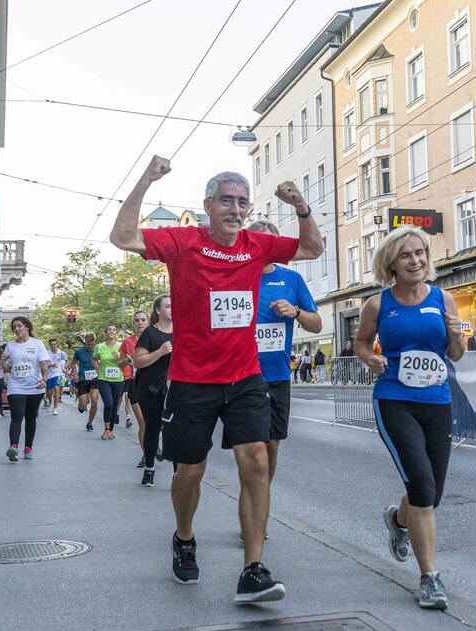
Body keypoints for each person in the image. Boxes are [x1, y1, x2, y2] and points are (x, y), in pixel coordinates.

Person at [110, 155, 323, 602]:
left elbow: (312, 249)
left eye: (242, 202)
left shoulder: (256, 245)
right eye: (227, 200)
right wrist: (145, 180)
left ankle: (254, 569)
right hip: (192, 379)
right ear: (208, 205)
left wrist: (301, 205)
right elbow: (122, 236)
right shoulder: (183, 241)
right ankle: (184, 538)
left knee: (258, 463)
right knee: (191, 470)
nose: (235, 208)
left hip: (246, 376)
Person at [354, 225, 464, 610]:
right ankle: (430, 578)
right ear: (392, 264)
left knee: (431, 494)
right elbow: (362, 342)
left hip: (437, 400)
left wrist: (458, 337)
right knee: (420, 484)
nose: (415, 260)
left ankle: (398, 520)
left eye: (420, 253)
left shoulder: (443, 298)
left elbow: (456, 354)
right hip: (395, 399)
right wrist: (371, 359)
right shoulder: (378, 304)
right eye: (406, 255)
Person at [225, 219, 320, 542]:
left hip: (277, 376)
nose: (265, 245)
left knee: (271, 447)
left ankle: (258, 499)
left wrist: (295, 312)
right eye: (259, 239)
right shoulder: (235, 276)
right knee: (252, 453)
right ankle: (251, 514)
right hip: (243, 376)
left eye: (271, 240)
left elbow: (317, 324)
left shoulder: (291, 279)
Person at [134, 295, 172, 487]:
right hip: (151, 387)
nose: (172, 309)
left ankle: (177, 473)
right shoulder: (150, 332)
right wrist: (160, 352)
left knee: (175, 429)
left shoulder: (182, 330)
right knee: (153, 427)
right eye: (167, 306)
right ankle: (149, 468)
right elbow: (138, 361)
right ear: (158, 310)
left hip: (176, 385)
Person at [1, 316, 50, 462]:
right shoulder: (10, 345)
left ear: (27, 327)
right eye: (14, 327)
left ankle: (28, 448)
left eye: (19, 326)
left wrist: (44, 379)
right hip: (16, 387)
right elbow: (7, 369)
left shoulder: (37, 344)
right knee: (16, 417)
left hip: (35, 387)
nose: (16, 329)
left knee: (30, 418)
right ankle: (13, 447)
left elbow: (43, 365)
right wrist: (2, 361)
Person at [122, 311, 150, 465]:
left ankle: (152, 445)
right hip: (135, 383)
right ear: (133, 323)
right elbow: (119, 363)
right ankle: (146, 455)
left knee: (156, 424)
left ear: (148, 321)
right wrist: (126, 361)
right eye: (137, 320)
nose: (140, 323)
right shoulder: (128, 342)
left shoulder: (157, 337)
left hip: (155, 383)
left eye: (143, 320)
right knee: (143, 423)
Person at [93, 324, 125, 439]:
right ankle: (106, 430)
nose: (111, 331)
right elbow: (94, 358)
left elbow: (127, 362)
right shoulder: (99, 347)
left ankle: (111, 430)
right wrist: (97, 368)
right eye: (109, 330)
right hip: (103, 379)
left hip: (118, 379)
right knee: (108, 404)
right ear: (105, 333)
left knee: (115, 405)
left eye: (114, 330)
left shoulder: (121, 345)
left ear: (116, 333)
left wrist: (119, 358)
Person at [71, 333, 100, 431]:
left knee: (95, 400)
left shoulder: (98, 350)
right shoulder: (79, 352)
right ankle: (83, 403)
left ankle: (90, 423)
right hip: (83, 379)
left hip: (95, 378)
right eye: (88, 344)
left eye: (92, 344)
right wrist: (75, 374)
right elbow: (73, 363)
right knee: (82, 407)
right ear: (85, 343)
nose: (91, 346)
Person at [44, 338, 68, 415]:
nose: (53, 345)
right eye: (52, 344)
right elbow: (44, 364)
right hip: (50, 374)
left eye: (55, 344)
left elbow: (67, 360)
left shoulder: (61, 353)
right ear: (49, 345)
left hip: (59, 374)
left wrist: (65, 367)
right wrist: (51, 365)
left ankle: (55, 408)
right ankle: (50, 402)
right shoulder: (46, 353)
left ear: (57, 344)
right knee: (49, 392)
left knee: (57, 388)